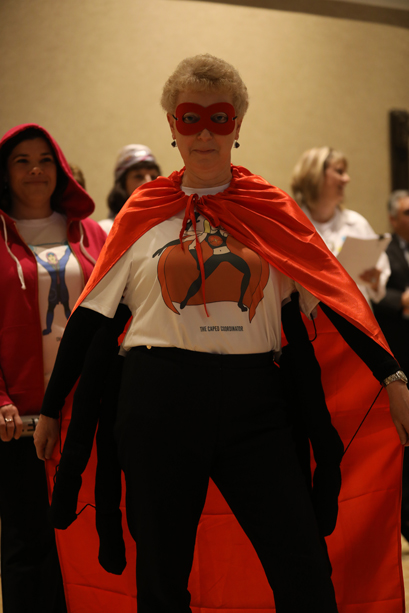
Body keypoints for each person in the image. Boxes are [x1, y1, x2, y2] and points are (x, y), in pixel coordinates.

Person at [34, 55, 409, 613]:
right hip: (157, 399)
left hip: (256, 403)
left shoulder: (272, 210)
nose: (205, 132)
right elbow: (91, 317)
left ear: (238, 124)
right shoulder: (143, 212)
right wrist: (50, 409)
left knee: (303, 569)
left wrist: (393, 376)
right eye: (191, 118)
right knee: (162, 578)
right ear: (172, 124)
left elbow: (338, 298)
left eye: (219, 117)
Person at [0, 123, 107, 613]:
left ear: (60, 168)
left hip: (87, 416)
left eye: (45, 159)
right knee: (27, 546)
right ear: (5, 173)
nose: (36, 170)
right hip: (18, 423)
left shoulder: (92, 234)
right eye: (22, 161)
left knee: (86, 542)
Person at [291, 146, 390, 304]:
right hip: (311, 316)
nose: (347, 179)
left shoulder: (356, 223)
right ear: (315, 175)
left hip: (356, 314)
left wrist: (374, 280)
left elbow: (379, 283)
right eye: (339, 171)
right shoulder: (292, 226)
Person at [372, 190, 409, 542]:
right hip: (399, 351)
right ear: (393, 218)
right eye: (407, 212)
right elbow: (373, 292)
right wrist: (402, 300)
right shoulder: (383, 247)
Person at [99, 144, 161, 233]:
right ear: (122, 184)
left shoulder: (170, 226)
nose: (148, 182)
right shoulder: (104, 230)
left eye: (153, 176)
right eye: (138, 176)